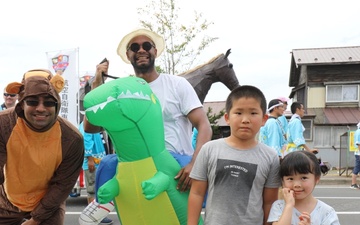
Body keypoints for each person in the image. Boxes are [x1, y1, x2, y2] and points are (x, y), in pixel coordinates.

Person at [80, 28, 212, 224]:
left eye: (147, 45)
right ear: (128, 55)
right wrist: (97, 86)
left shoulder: (177, 84)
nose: (141, 50)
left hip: (172, 169)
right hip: (134, 167)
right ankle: (102, 202)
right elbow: (91, 127)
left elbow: (204, 125)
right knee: (108, 165)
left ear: (155, 51)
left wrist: (195, 163)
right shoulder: (123, 90)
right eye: (135, 47)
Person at [188, 85, 281, 225]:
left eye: (253, 113)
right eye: (238, 113)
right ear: (227, 118)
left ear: (264, 119)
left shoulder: (270, 157)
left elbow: (269, 202)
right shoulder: (209, 149)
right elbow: (197, 193)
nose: (245, 120)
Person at [0, 69, 84, 224]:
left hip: (48, 204)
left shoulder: (71, 138)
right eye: (32, 101)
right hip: (7, 202)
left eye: (49, 102)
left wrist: (36, 219)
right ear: (22, 102)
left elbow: (62, 185)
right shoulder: (4, 124)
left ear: (57, 104)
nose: (40, 108)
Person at [267, 151, 340, 224]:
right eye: (290, 179)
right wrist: (289, 206)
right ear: (282, 181)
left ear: (316, 179)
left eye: (304, 178)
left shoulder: (326, 212)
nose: (296, 185)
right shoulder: (279, 206)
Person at [79, 121, 113, 224]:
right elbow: (86, 140)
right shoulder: (89, 124)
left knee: (98, 189)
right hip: (93, 161)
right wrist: (90, 159)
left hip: (99, 160)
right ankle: (94, 216)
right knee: (92, 189)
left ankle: (97, 215)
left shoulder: (97, 122)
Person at [350, 122, 360, 189]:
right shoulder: (359, 132)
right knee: (357, 168)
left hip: (357, 153)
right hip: (359, 153)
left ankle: (354, 184)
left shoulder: (357, 131)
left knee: (357, 167)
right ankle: (353, 184)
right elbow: (358, 143)